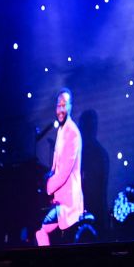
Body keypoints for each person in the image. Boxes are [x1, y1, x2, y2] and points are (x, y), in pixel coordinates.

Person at [35, 89, 84, 247]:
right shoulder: (61, 131)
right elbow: (57, 167)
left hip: (69, 203)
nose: (61, 109)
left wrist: (48, 187)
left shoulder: (73, 133)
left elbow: (64, 173)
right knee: (43, 232)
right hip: (59, 200)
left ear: (70, 107)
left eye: (64, 105)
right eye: (58, 105)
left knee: (41, 231)